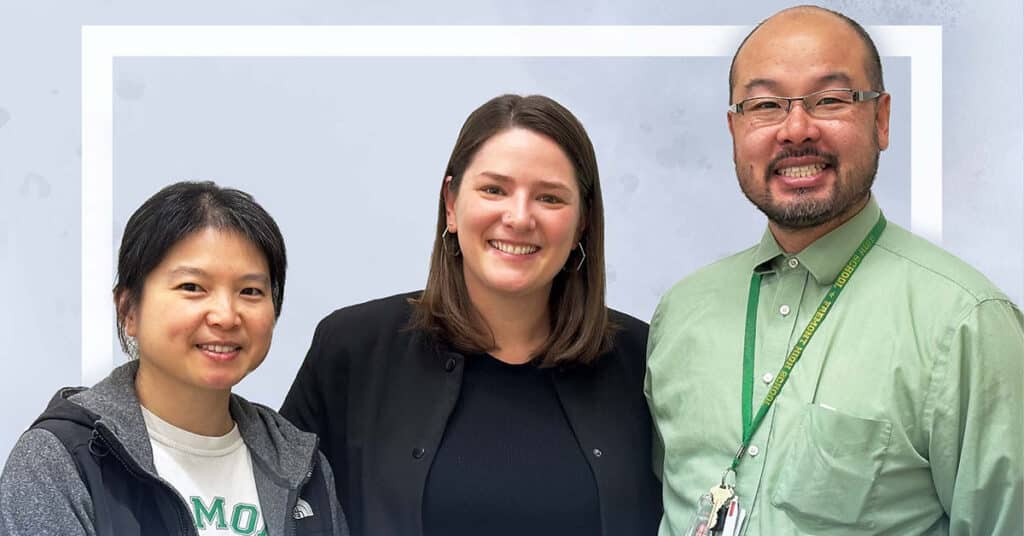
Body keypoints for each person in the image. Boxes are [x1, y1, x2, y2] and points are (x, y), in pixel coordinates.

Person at [645, 5, 1024, 536]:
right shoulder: (681, 313)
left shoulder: (966, 324)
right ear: (735, 128)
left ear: (881, 118)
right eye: (765, 105)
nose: (796, 129)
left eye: (830, 99)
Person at [281, 94, 661, 536]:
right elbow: (277, 510)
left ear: (582, 222)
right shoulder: (352, 349)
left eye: (550, 198)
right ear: (451, 203)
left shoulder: (643, 362)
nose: (518, 217)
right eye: (494, 189)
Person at [0, 181, 349, 536]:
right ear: (128, 310)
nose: (226, 316)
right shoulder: (61, 460)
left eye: (250, 291)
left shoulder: (302, 465)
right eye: (193, 287)